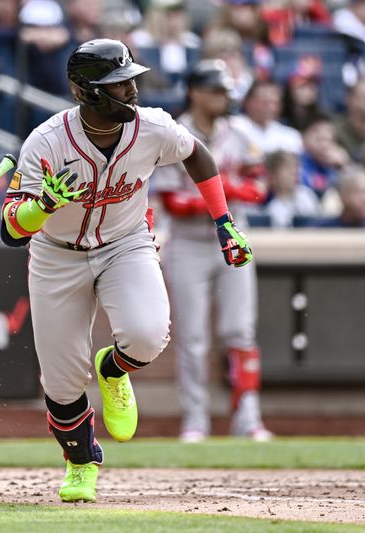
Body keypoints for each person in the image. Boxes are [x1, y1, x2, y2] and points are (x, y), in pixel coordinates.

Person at [0, 39, 253, 503]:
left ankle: (112, 370)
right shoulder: (47, 141)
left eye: (131, 80)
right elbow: (11, 228)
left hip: (125, 242)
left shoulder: (152, 126)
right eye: (119, 84)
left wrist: (224, 223)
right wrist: (43, 206)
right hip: (58, 253)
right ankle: (81, 464)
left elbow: (198, 155)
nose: (132, 90)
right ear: (86, 92)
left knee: (149, 334)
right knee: (61, 380)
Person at [153, 60, 272, 443]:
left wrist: (229, 192)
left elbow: (260, 189)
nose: (223, 98)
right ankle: (196, 421)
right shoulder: (174, 133)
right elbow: (173, 202)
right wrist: (226, 191)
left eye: (225, 91)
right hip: (188, 243)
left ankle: (248, 420)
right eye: (216, 90)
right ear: (195, 92)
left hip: (233, 238)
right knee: (193, 337)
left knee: (240, 331)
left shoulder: (238, 133)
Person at [263, 149, 321, 228]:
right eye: (287, 167)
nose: (294, 172)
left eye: (295, 167)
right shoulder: (272, 209)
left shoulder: (307, 194)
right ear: (273, 175)